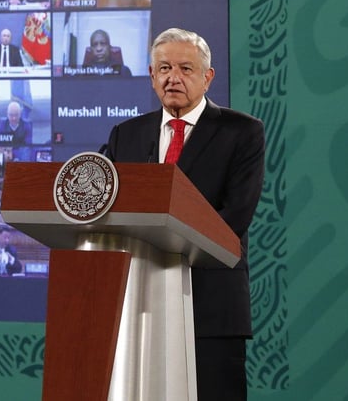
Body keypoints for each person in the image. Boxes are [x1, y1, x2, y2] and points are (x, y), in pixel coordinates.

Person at [101, 27, 265, 401]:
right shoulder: (125, 134)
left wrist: (161, 243)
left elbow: (233, 219)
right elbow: (104, 202)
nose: (173, 77)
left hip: (210, 304)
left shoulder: (241, 132)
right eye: (164, 68)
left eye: (185, 69)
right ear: (151, 76)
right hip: (136, 305)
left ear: (208, 77)